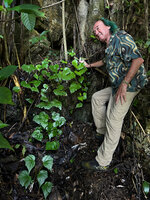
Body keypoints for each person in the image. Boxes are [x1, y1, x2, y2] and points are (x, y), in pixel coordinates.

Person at [81, 18, 148, 171]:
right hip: (118, 85)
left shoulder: (121, 37)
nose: (97, 32)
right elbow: (105, 61)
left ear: (108, 26)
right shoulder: (109, 45)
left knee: (113, 119)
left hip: (130, 85)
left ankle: (103, 161)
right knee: (97, 98)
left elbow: (138, 60)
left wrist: (124, 84)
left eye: (98, 28)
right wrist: (88, 65)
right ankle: (102, 133)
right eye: (95, 32)